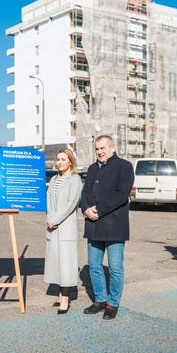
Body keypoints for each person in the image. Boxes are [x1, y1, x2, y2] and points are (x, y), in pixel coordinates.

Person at [81, 135, 134, 320]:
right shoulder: (92, 168)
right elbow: (85, 192)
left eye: (103, 148)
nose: (99, 152)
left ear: (112, 148)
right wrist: (85, 209)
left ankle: (112, 303)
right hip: (93, 224)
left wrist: (99, 209)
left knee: (115, 268)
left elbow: (122, 194)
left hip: (114, 226)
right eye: (97, 149)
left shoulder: (124, 166)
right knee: (94, 266)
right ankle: (100, 300)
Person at [44, 149, 83, 314]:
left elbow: (71, 204)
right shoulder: (53, 179)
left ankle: (66, 299)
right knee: (56, 262)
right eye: (58, 159)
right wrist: (50, 217)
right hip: (52, 226)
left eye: (63, 159)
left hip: (65, 226)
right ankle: (60, 294)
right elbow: (48, 200)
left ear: (70, 162)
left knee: (66, 263)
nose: (60, 162)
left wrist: (56, 219)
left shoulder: (75, 179)